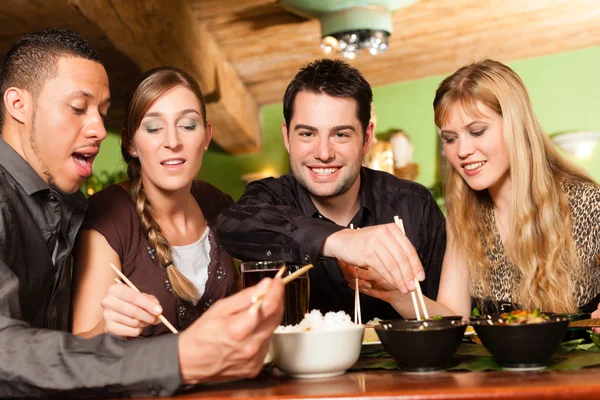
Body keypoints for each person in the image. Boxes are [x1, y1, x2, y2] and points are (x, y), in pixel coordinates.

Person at [0, 28, 283, 397]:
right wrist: (178, 357)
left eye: (102, 113)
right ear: (18, 104)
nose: (100, 130)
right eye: (77, 108)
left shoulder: (58, 203)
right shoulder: (91, 210)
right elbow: (7, 353)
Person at [346, 59, 600, 320]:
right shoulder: (464, 218)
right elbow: (454, 319)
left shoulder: (588, 203)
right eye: (450, 138)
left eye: (477, 131)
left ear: (516, 127)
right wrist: (394, 293)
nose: (462, 151)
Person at [215, 59, 446, 322]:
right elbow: (230, 226)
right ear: (287, 136)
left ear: (367, 137)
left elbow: (447, 317)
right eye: (307, 134)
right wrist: (339, 240)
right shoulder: (271, 198)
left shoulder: (414, 206)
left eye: (341, 135)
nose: (323, 153)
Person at [71, 66, 238, 338]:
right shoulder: (109, 214)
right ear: (130, 143)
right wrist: (109, 330)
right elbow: (79, 349)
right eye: (153, 128)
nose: (172, 141)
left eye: (187, 125)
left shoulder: (219, 204)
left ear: (206, 136)